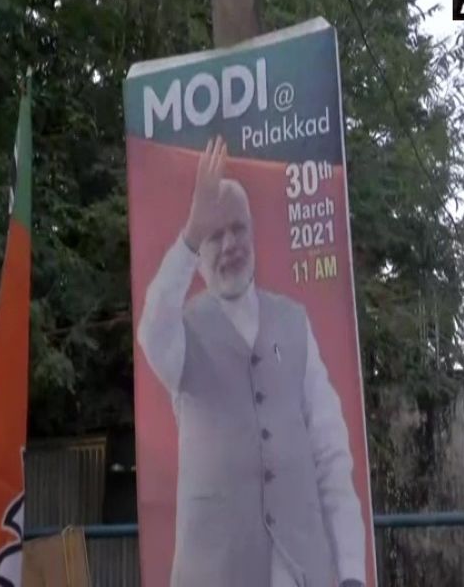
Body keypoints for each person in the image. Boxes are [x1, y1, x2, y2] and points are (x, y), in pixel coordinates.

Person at [137, 136, 366, 587]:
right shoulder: (179, 334)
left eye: (237, 229)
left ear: (254, 233)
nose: (229, 246)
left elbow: (330, 453)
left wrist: (352, 574)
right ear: (198, 258)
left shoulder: (294, 323)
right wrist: (189, 232)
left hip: (304, 573)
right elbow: (151, 329)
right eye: (214, 236)